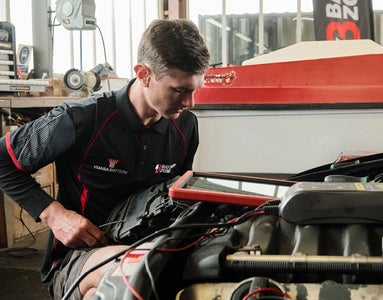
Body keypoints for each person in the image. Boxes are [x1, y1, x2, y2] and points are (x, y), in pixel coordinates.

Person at [0, 19, 210, 299]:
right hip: (82, 257)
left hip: (154, 246)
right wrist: (55, 214)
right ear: (144, 74)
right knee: (129, 274)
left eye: (195, 89)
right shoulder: (81, 119)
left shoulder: (185, 126)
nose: (190, 103)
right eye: (180, 90)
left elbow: (179, 194)